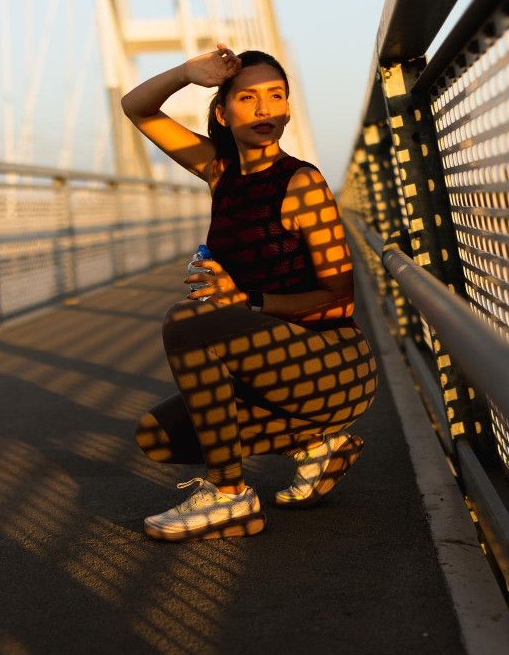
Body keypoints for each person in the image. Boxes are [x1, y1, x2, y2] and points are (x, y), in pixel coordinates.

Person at [122, 44, 378, 542]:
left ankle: (229, 496)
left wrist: (246, 301)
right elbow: (137, 107)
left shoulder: (301, 182)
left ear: (286, 109)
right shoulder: (219, 171)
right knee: (156, 436)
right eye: (249, 98)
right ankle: (315, 447)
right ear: (223, 111)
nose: (265, 110)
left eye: (276, 97)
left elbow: (339, 294)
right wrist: (186, 73)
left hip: (333, 363)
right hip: (271, 363)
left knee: (186, 324)